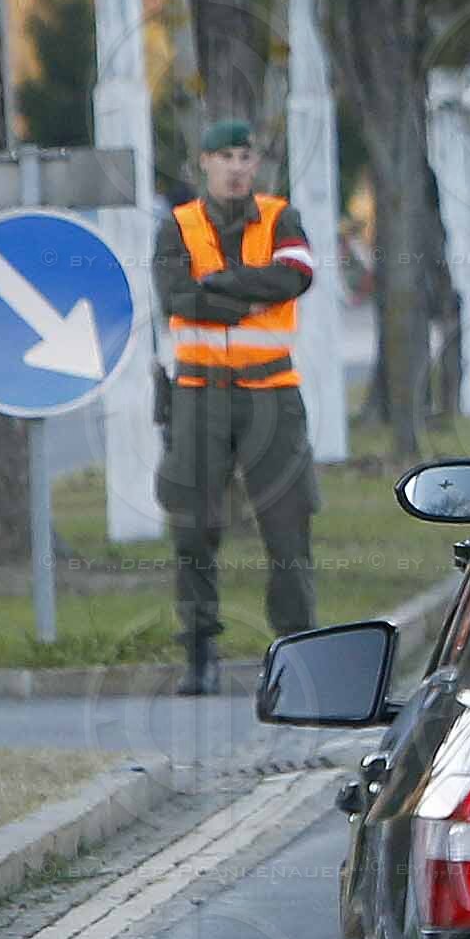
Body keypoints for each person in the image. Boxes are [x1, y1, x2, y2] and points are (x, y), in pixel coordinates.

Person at [151, 117, 320, 695]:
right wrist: (242, 302)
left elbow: (295, 275)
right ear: (204, 162)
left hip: (271, 393)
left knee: (288, 526)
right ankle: (200, 652)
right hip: (197, 396)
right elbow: (175, 296)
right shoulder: (178, 226)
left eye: (245, 156)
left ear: (256, 163)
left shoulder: (281, 217)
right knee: (193, 527)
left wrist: (219, 284)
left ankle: (296, 654)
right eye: (224, 156)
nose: (237, 167)